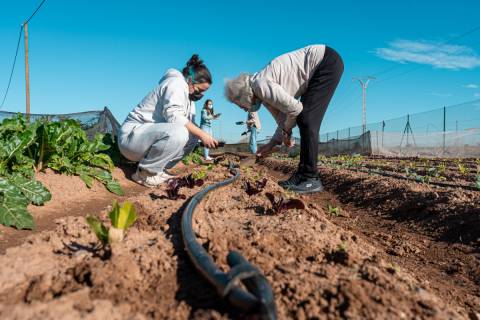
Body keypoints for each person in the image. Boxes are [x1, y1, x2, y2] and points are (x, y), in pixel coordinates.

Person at [225, 45, 344, 193]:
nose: (243, 108)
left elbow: (295, 110)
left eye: (239, 104)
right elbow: (282, 119)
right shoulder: (262, 92)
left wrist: (287, 132)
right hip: (320, 65)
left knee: (306, 119)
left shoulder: (261, 85)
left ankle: (310, 177)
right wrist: (273, 143)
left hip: (326, 63)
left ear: (243, 94)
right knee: (304, 117)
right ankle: (302, 175)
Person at [118, 54, 218, 187]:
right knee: (179, 132)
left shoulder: (189, 98)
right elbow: (175, 118)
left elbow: (189, 123)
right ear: (189, 80)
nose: (201, 95)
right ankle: (144, 174)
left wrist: (204, 136)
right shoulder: (175, 84)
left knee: (192, 136)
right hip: (131, 139)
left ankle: (158, 169)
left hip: (146, 139)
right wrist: (202, 134)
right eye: (199, 90)